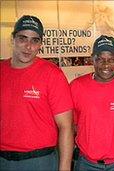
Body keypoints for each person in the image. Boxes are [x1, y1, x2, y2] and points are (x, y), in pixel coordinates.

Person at [0, 15, 74, 170]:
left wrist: (65, 167)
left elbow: (66, 126)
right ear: (12, 39)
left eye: (35, 40)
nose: (28, 46)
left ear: (40, 44)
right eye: (22, 38)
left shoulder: (52, 74)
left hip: (40, 161)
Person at [70, 35, 114, 171]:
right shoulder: (76, 86)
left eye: (111, 59)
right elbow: (71, 126)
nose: (106, 65)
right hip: (86, 163)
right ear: (92, 59)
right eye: (100, 59)